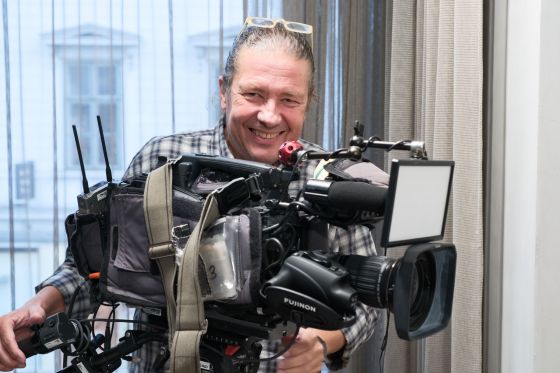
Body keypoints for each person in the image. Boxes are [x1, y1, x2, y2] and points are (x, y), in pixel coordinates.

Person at [0, 16, 379, 373]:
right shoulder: (162, 162)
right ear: (224, 92)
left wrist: (323, 341)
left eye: (288, 100)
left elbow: (367, 294)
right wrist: (38, 306)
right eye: (254, 93)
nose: (269, 115)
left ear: (309, 101)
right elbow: (94, 268)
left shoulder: (326, 181)